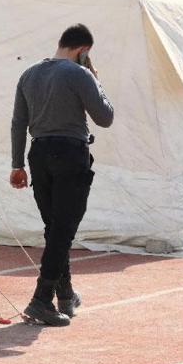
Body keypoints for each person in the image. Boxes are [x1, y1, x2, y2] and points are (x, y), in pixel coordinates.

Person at [10, 24, 114, 326]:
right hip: (70, 152)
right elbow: (105, 118)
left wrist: (17, 164)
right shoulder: (79, 74)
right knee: (63, 229)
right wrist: (96, 81)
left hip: (38, 152)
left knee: (54, 227)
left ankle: (66, 295)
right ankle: (41, 299)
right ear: (83, 51)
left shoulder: (29, 74)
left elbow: (18, 123)